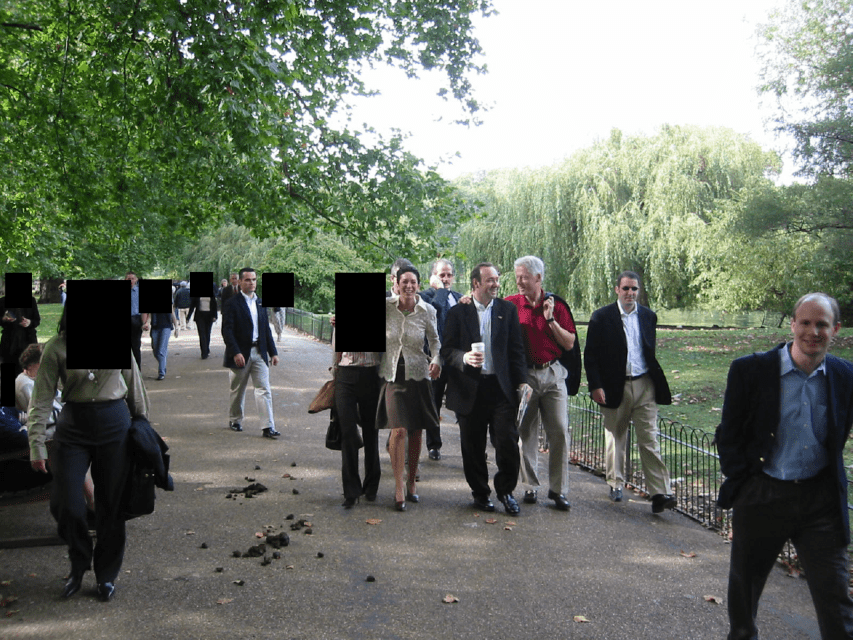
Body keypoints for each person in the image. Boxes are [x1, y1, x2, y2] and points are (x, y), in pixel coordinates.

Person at [716, 293, 853, 639]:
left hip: (820, 502)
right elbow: (728, 434)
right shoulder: (750, 370)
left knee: (837, 604)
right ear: (792, 325)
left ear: (835, 329)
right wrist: (745, 484)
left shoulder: (845, 376)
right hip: (762, 496)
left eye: (822, 324)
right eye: (805, 322)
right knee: (744, 600)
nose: (813, 332)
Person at [28, 306, 149, 602]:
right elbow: (41, 397)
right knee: (66, 503)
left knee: (111, 503)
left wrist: (143, 427)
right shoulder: (56, 347)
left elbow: (135, 385)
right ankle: (79, 561)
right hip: (73, 427)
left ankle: (106, 574)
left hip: (114, 423)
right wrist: (36, 443)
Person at [583, 270, 676, 513]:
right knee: (616, 437)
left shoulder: (648, 316)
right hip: (615, 385)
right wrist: (595, 386)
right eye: (626, 288)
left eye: (634, 289)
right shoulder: (601, 317)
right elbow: (590, 356)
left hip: (645, 384)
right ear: (617, 290)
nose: (630, 293)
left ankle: (660, 493)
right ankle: (616, 484)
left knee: (650, 439)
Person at [441, 263, 528, 514]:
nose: (496, 284)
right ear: (476, 283)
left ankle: (506, 491)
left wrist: (521, 382)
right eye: (490, 280)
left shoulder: (507, 310)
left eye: (497, 279)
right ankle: (480, 493)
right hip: (469, 388)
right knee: (473, 446)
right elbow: (447, 350)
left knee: (508, 442)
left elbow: (516, 351)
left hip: (500, 389)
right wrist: (464, 358)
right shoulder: (458, 312)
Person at [504, 256, 577, 511]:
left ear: (538, 278)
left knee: (559, 430)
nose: (519, 281)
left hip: (552, 374)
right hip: (525, 376)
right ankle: (530, 487)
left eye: (524, 277)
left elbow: (569, 343)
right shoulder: (511, 304)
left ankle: (558, 490)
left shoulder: (556, 305)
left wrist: (550, 319)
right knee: (526, 432)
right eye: (517, 276)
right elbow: (487, 314)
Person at [376, 265, 441, 511]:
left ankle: (412, 480)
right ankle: (398, 486)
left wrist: (437, 359)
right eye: (404, 281)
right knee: (399, 430)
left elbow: (435, 341)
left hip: (419, 375)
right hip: (392, 374)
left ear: (419, 285)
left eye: (413, 282)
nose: (409, 286)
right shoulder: (386, 307)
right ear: (396, 283)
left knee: (415, 431)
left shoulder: (428, 310)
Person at [17, 343, 95, 511]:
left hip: (52, 426)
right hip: (47, 432)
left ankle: (91, 500)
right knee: (79, 444)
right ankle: (92, 501)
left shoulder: (33, 380)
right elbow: (40, 413)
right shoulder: (26, 384)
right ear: (32, 365)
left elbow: (58, 400)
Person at [221, 268, 281, 438]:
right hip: (240, 353)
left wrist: (273, 352)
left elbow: (265, 329)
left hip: (259, 352)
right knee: (237, 390)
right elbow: (227, 330)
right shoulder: (232, 303)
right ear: (240, 282)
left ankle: (268, 426)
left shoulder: (260, 302)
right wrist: (235, 352)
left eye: (254, 279)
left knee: (264, 389)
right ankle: (235, 419)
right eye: (247, 280)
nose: (251, 283)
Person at [331, 316, 381, 508]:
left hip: (371, 374)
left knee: (371, 432)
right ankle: (351, 491)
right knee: (348, 433)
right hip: (345, 374)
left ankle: (371, 486)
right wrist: (334, 370)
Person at [420, 259, 463, 462]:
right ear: (433, 277)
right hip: (435, 359)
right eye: (441, 275)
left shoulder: (460, 298)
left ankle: (470, 447)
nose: (446, 279)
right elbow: (435, 312)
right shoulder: (425, 297)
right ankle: (434, 445)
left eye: (449, 275)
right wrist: (440, 290)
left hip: (456, 360)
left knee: (463, 403)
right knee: (433, 403)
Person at [0, 290, 40, 375]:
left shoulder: (31, 301)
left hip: (27, 339)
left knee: (28, 369)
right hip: (9, 340)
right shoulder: (2, 301)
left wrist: (29, 322)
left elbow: (37, 320)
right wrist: (4, 319)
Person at [187, 284, 218, 359]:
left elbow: (214, 305)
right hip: (200, 316)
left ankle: (206, 348)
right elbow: (192, 305)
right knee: (202, 334)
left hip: (209, 316)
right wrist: (188, 317)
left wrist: (215, 316)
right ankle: (204, 352)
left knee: (207, 333)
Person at [126, 271, 149, 368]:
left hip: (136, 320)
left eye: (132, 278)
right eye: (128, 279)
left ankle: (137, 371)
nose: (131, 280)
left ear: (136, 280)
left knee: (135, 346)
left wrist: (145, 323)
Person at [150, 308, 178, 380]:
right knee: (155, 352)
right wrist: (145, 322)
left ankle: (161, 372)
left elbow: (172, 312)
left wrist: (176, 327)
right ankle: (163, 364)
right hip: (155, 326)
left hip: (166, 326)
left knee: (161, 351)